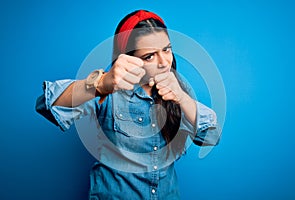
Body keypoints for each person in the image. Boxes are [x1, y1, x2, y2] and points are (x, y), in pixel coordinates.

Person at [36, 9, 221, 200]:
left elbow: (211, 137)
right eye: (149, 56)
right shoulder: (108, 90)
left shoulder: (178, 89)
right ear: (128, 58)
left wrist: (182, 98)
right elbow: (47, 105)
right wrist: (99, 85)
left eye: (166, 50)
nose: (164, 62)